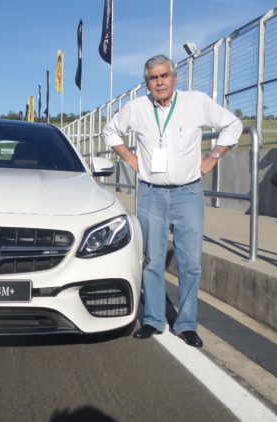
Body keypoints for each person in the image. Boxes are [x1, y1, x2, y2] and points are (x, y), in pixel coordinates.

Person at [103, 54, 242, 347]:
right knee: (152, 260)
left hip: (188, 193)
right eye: (153, 78)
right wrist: (130, 159)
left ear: (174, 78)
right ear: (147, 82)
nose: (159, 82)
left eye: (164, 76)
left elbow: (233, 125)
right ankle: (153, 319)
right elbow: (111, 131)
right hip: (151, 193)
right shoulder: (137, 108)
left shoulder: (195, 102)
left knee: (190, 262)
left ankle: (187, 323)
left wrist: (212, 157)